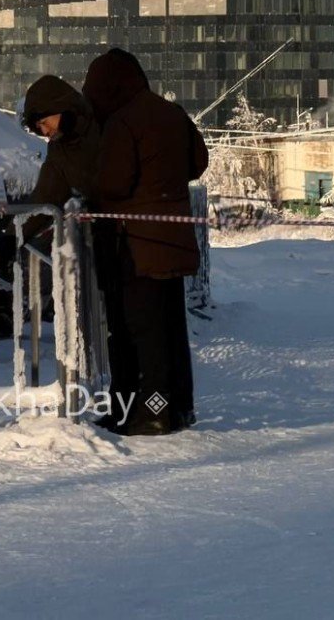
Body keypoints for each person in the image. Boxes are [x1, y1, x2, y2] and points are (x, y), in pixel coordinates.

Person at [82, 48, 208, 435]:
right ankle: (178, 408)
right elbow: (198, 162)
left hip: (134, 245)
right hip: (171, 241)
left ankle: (151, 413)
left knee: (139, 333)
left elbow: (114, 183)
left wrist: (92, 188)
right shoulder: (171, 112)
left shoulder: (122, 121)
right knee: (170, 331)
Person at [0, 74, 100, 270]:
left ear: (60, 107)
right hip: (105, 237)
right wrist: (13, 236)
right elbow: (45, 197)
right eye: (38, 128)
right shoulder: (59, 150)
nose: (44, 131)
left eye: (43, 122)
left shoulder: (103, 123)